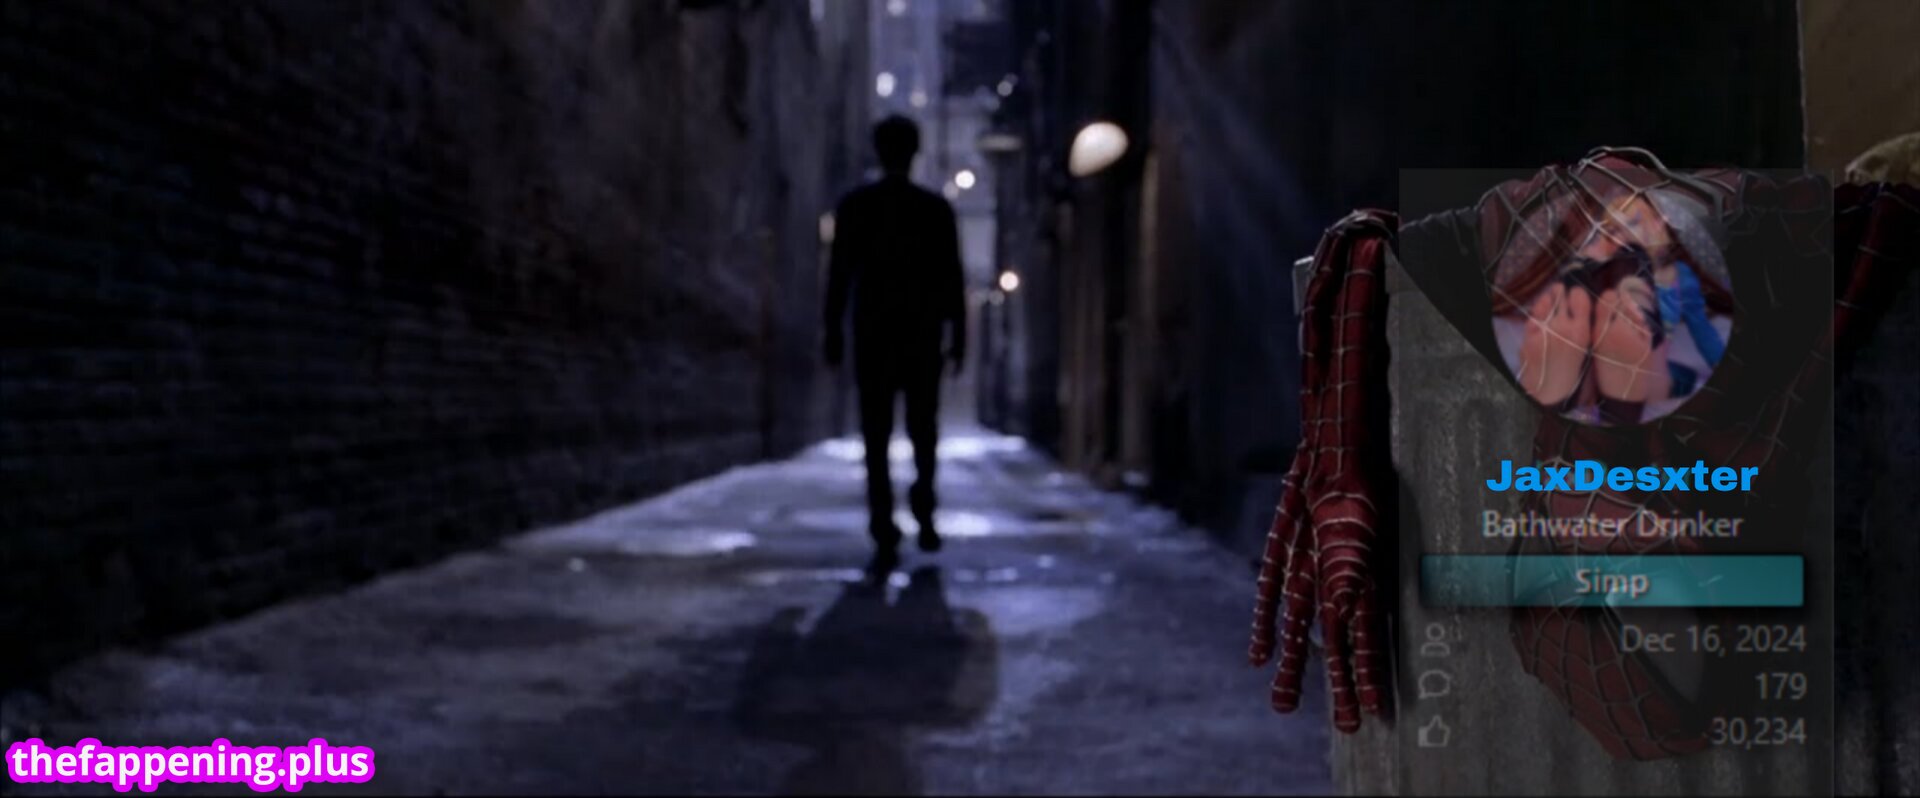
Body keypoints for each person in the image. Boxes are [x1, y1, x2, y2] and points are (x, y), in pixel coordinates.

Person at [822, 115, 967, 573]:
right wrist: (958, 336)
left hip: (875, 335)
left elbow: (839, 275)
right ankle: (923, 508)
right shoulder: (934, 210)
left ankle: (883, 523)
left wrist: (832, 330)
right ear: (915, 151)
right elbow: (952, 278)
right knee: (923, 429)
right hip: (921, 335)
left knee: (877, 434)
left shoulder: (856, 207)